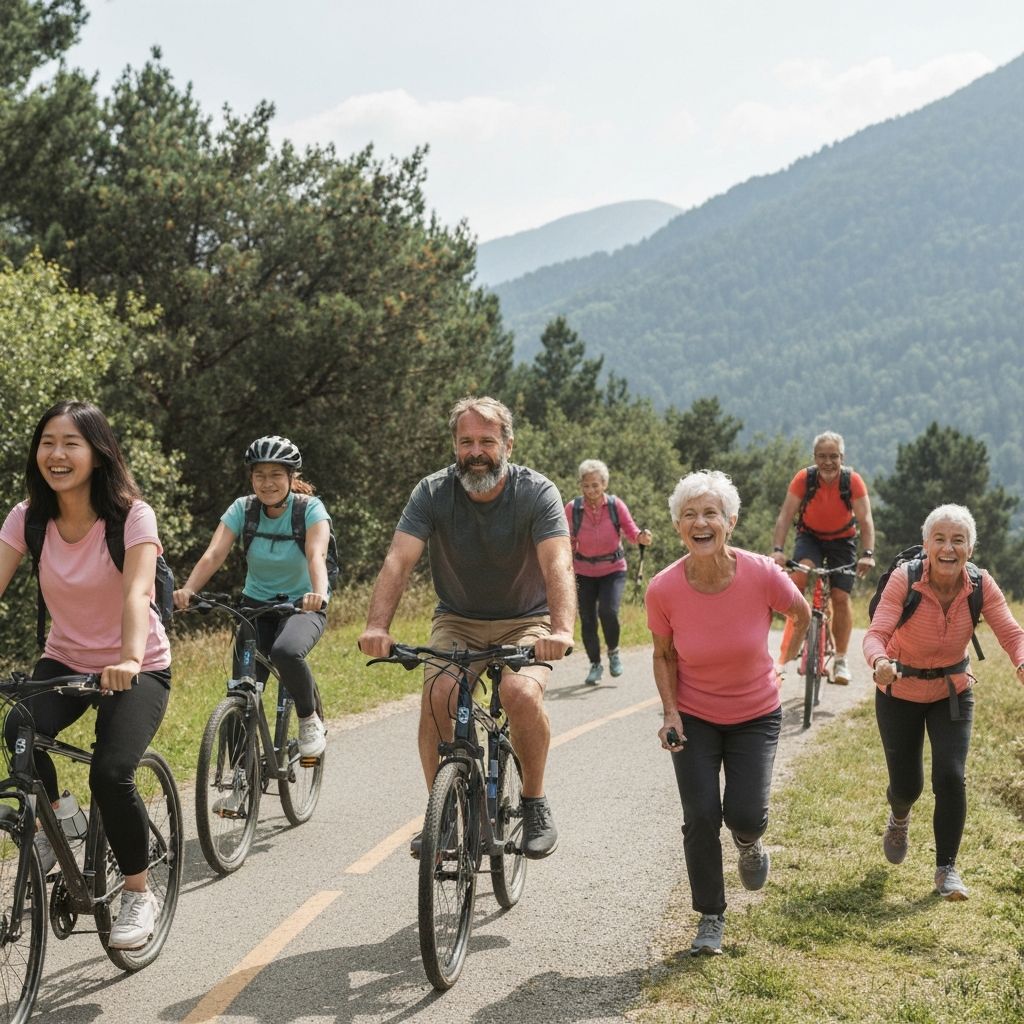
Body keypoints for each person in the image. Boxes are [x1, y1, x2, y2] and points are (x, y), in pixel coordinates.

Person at [358, 396, 575, 860]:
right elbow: (399, 560)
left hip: (528, 619)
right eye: (466, 442)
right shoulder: (432, 492)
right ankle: (448, 812)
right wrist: (378, 625)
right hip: (458, 618)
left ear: (508, 445)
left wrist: (561, 629)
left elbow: (557, 561)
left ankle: (535, 802)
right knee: (439, 695)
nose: (476, 451)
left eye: (487, 441)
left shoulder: (537, 492)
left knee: (519, 694)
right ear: (455, 446)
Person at [0, 400, 172, 950]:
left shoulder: (131, 516)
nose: (57, 454)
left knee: (111, 772)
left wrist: (125, 658)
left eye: (71, 443)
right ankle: (61, 821)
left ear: (97, 454)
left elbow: (136, 591)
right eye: (47, 442)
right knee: (19, 729)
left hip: (137, 664)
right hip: (66, 658)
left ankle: (139, 892)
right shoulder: (27, 517)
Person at [647, 470, 809, 955]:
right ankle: (711, 918)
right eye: (690, 515)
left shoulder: (761, 573)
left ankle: (749, 841)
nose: (701, 522)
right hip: (694, 715)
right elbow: (663, 654)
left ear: (730, 522)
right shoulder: (663, 589)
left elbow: (800, 614)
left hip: (756, 714)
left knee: (746, 815)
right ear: (679, 527)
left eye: (711, 513)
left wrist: (783, 663)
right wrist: (671, 712)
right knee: (700, 815)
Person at [863, 504, 1024, 901]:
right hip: (899, 691)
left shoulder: (981, 585)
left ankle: (946, 870)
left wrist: (1022, 662)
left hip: (952, 692)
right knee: (907, 785)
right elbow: (875, 633)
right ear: (926, 545)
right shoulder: (906, 579)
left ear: (970, 547)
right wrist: (880, 661)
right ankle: (899, 816)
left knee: (950, 776)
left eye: (958, 540)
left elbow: (1012, 633)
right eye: (940, 539)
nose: (948, 548)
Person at [173, 435, 330, 758]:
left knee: (286, 652)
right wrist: (189, 590)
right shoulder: (242, 510)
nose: (267, 483)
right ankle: (242, 783)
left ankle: (308, 718)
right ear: (251, 477)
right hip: (255, 607)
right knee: (241, 691)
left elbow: (317, 555)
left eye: (276, 475)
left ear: (291, 477)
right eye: (260, 475)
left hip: (302, 607)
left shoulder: (310, 510)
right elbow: (213, 554)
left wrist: (318, 593)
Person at [771, 430, 876, 684]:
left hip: (842, 540)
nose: (828, 462)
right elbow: (786, 516)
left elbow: (865, 520)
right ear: (814, 457)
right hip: (810, 538)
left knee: (840, 597)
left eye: (834, 456)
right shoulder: (803, 479)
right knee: (800, 575)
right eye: (822, 457)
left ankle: (840, 659)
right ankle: (802, 633)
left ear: (842, 457)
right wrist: (777, 550)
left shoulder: (852, 481)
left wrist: (868, 554)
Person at [567, 459, 652, 685]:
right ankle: (595, 664)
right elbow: (567, 539)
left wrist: (641, 537)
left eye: (595, 485)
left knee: (608, 611)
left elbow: (632, 532)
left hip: (613, 570)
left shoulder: (615, 506)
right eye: (586, 485)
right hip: (583, 571)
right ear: (580, 486)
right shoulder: (573, 509)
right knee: (587, 620)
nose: (591, 490)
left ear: (604, 483)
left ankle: (613, 652)